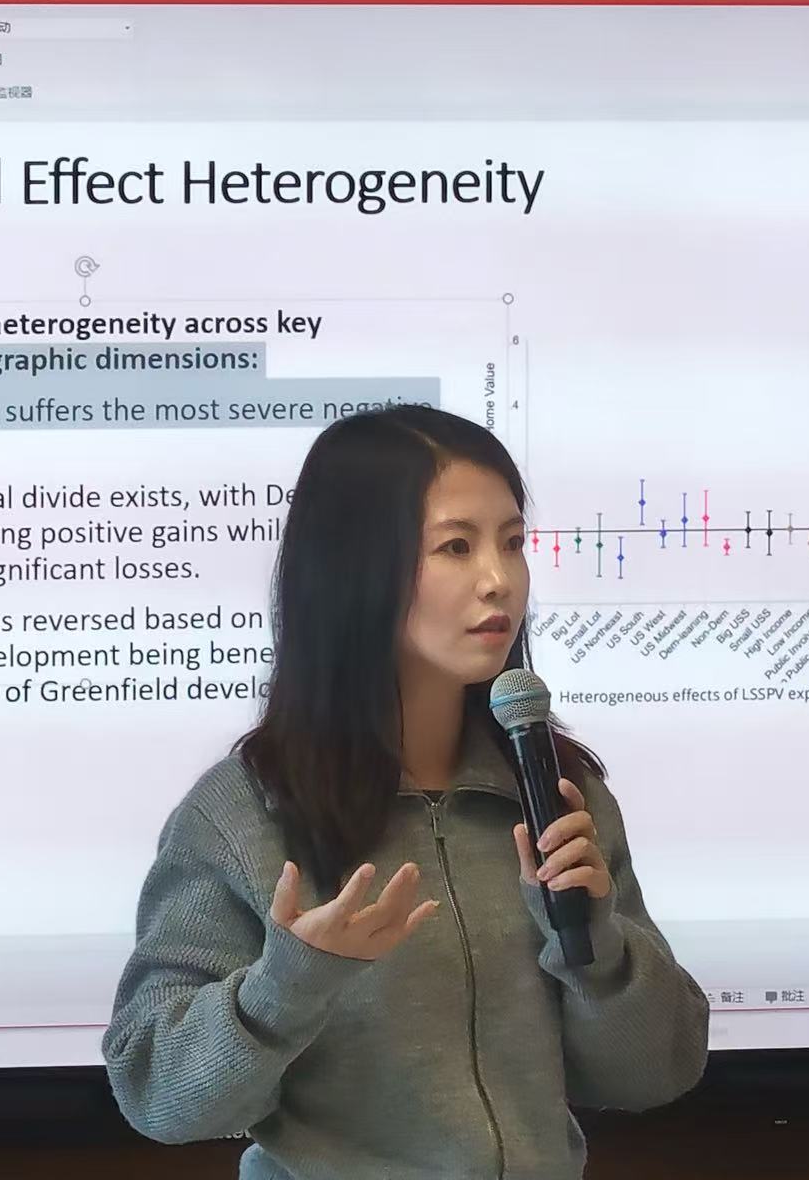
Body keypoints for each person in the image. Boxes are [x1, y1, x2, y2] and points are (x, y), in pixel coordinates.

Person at [102, 404, 710, 1178]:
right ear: (357, 569)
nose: (498, 580)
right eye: (456, 546)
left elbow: (655, 1074)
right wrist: (286, 985)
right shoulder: (246, 814)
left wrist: (594, 948)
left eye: (512, 542)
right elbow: (158, 1097)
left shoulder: (555, 792)